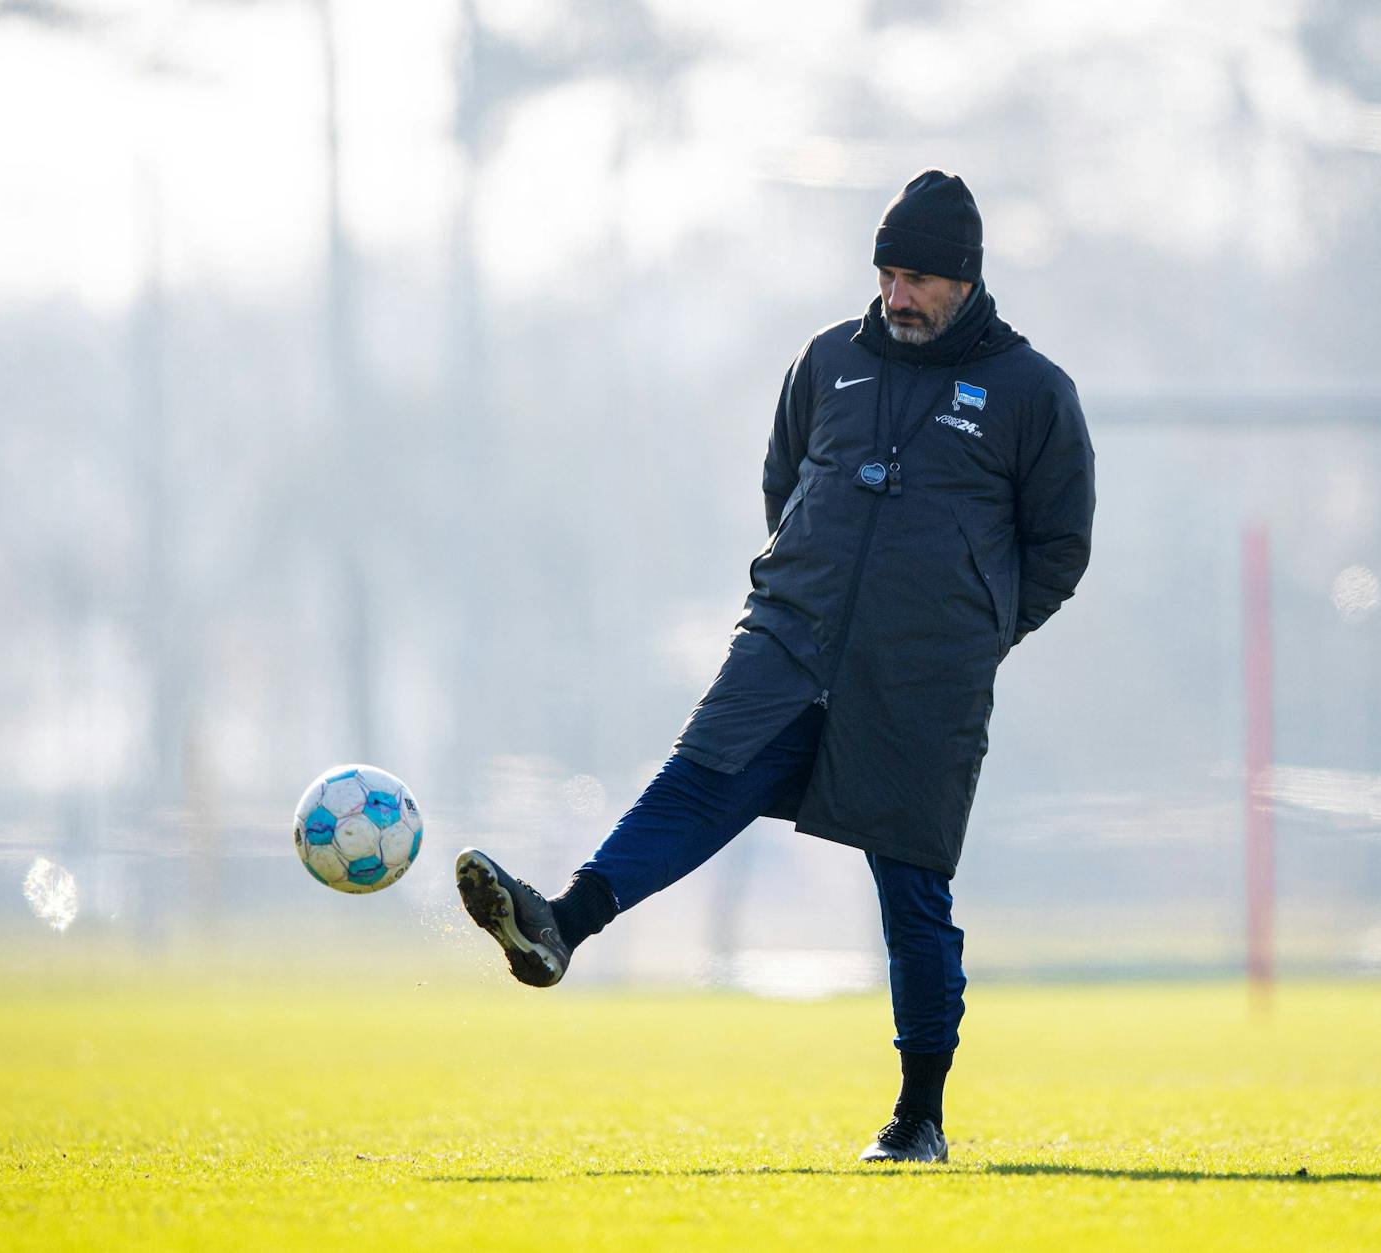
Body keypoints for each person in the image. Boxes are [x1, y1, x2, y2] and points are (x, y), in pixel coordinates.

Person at [456, 169, 1095, 1163]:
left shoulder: (1032, 393)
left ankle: (917, 1115)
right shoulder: (827, 360)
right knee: (691, 782)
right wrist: (808, 589)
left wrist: (969, 634)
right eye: (887, 272)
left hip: (924, 680)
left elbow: (1059, 549)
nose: (897, 294)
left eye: (918, 277)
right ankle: (558, 924)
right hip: (788, 641)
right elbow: (785, 482)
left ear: (963, 280)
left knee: (910, 889)